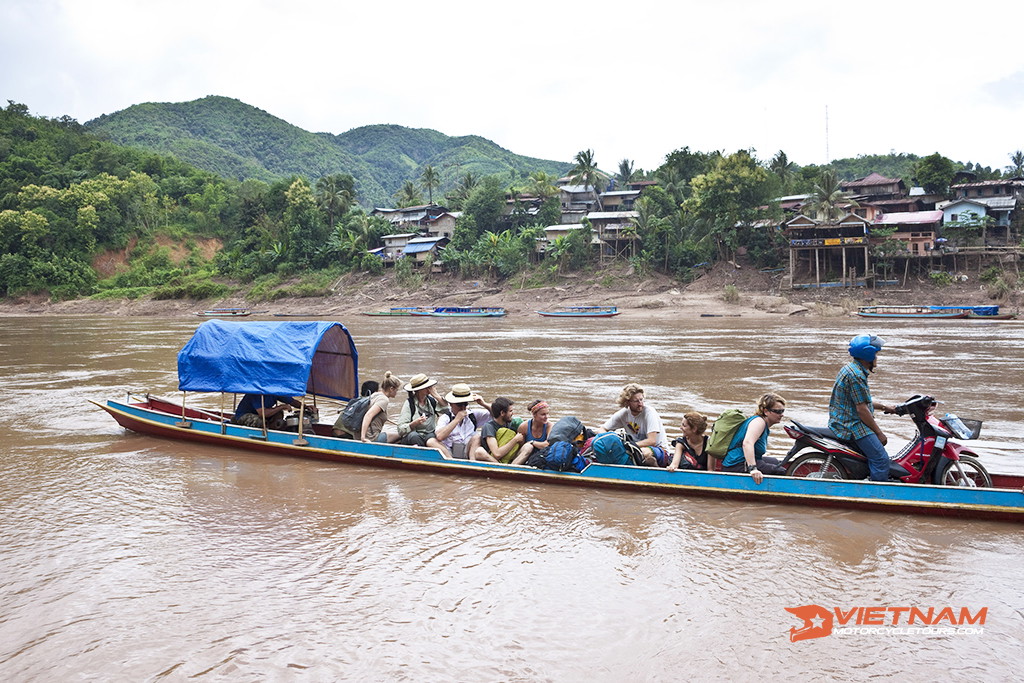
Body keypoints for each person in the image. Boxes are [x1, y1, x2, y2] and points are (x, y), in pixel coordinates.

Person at [828, 334, 895, 482]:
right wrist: (879, 433)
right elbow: (862, 409)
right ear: (868, 354)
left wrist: (886, 407)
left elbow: (862, 401)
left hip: (844, 419)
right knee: (881, 459)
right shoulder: (856, 376)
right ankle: (876, 495)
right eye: (876, 353)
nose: (877, 357)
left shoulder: (850, 369)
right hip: (851, 425)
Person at [721, 393, 789, 484]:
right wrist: (753, 469)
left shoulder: (763, 423)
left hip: (742, 461)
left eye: (782, 411)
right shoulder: (759, 422)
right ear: (766, 411)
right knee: (780, 471)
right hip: (736, 464)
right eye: (778, 411)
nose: (782, 415)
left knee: (776, 462)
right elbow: (747, 443)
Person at [599, 383, 669, 467]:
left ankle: (656, 470)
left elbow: (652, 441)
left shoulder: (650, 412)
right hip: (633, 450)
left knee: (643, 453)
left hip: (660, 450)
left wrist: (628, 446)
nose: (640, 404)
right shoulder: (624, 414)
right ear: (627, 402)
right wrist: (608, 442)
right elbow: (602, 429)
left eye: (641, 399)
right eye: (636, 401)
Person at [435, 383, 491, 459]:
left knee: (477, 437)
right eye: (459, 405)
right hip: (450, 451)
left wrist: (484, 404)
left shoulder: (472, 415)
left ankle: (472, 462)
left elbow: (498, 415)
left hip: (468, 450)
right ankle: (451, 462)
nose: (463, 407)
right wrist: (457, 420)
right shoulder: (445, 418)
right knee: (431, 441)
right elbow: (439, 436)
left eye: (465, 404)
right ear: (451, 404)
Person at [397, 374, 449, 453]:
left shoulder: (431, 401)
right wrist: (415, 423)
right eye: (427, 387)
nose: (430, 388)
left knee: (432, 437)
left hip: (429, 435)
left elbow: (446, 410)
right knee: (414, 436)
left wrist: (436, 395)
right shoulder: (409, 404)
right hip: (414, 437)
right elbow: (400, 429)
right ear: (419, 389)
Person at [473, 397, 525, 464]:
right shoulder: (489, 426)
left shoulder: (511, 423)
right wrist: (515, 440)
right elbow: (497, 454)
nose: (512, 414)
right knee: (479, 452)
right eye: (510, 411)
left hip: (509, 457)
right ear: (502, 413)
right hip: (493, 459)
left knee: (528, 447)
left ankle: (512, 467)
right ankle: (501, 466)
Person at [357, 371, 402, 443]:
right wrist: (363, 437)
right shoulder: (384, 400)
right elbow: (368, 415)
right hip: (372, 438)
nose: (397, 392)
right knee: (402, 435)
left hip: (360, 435)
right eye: (397, 389)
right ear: (391, 389)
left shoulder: (375, 395)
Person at [232, 393, 302, 430]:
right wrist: (281, 407)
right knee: (260, 421)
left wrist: (305, 407)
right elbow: (262, 413)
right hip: (244, 415)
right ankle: (269, 430)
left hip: (262, 414)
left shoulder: (275, 392)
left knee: (279, 413)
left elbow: (292, 402)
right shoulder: (256, 394)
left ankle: (274, 428)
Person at [514, 400, 552, 465]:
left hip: (541, 457)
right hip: (526, 456)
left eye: (547, 413)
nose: (546, 417)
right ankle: (512, 468)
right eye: (543, 414)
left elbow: (547, 445)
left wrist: (532, 442)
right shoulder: (524, 426)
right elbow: (519, 448)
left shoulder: (549, 426)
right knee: (528, 447)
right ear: (534, 414)